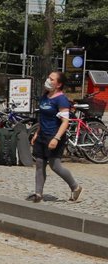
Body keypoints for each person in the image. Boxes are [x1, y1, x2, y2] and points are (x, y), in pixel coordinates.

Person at [28, 70, 83, 203]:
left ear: (58, 84)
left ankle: (75, 187)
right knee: (40, 164)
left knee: (55, 166)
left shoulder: (61, 99)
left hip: (54, 136)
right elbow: (43, 117)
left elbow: (65, 122)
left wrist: (56, 138)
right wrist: (36, 133)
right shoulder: (45, 96)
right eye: (48, 77)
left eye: (52, 79)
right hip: (42, 135)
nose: (48, 80)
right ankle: (38, 193)